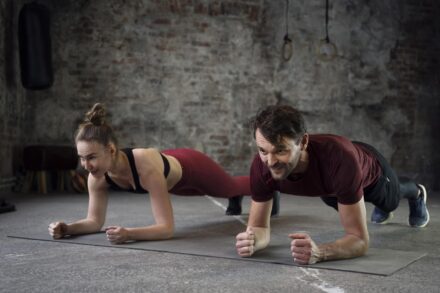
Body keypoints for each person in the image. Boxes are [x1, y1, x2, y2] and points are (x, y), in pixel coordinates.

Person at [235, 105, 430, 265]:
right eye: (263, 150)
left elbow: (360, 240)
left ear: (303, 142)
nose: (270, 161)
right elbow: (259, 226)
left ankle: (417, 193)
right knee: (335, 199)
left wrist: (320, 252)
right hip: (331, 185)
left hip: (371, 172)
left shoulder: (339, 162)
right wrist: (254, 241)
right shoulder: (261, 167)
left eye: (280, 151)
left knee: (390, 202)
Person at [48, 103, 267, 244]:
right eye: (82, 158)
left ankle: (267, 185)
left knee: (228, 187)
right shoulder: (96, 178)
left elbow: (166, 229)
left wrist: (129, 234)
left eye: (92, 157)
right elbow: (94, 222)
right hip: (173, 182)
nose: (85, 165)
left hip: (191, 166)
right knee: (201, 192)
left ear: (111, 150)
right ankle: (236, 196)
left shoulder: (145, 166)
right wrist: (67, 228)